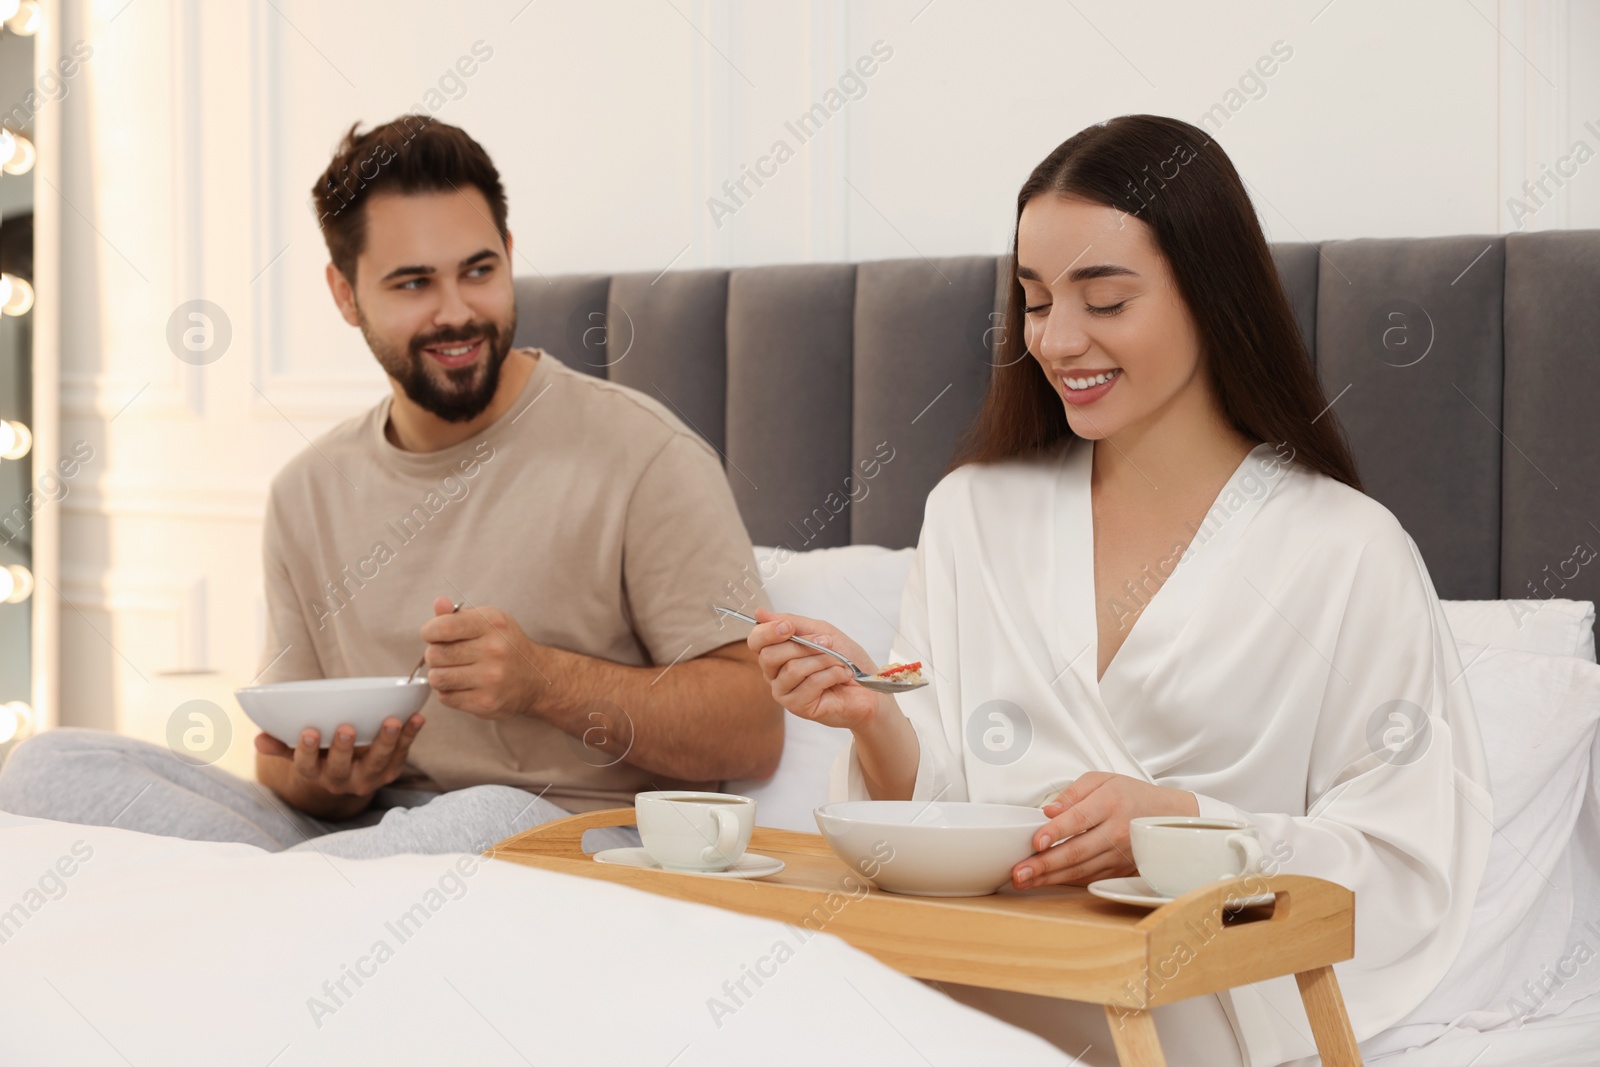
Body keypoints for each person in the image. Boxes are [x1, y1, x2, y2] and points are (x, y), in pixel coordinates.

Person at [746, 115, 1491, 1067]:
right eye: (1035, 299)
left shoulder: (1347, 550)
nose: (1057, 341)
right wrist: (870, 716)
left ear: (1211, 298)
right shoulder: (973, 512)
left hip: (1187, 995)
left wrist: (1182, 830)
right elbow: (939, 800)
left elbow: (1399, 859)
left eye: (1104, 300)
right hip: (961, 972)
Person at [0, 115, 782, 858]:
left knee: (471, 818)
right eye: (413, 284)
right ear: (345, 294)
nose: (456, 312)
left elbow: (752, 727)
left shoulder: (641, 453)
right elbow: (279, 763)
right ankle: (295, 909)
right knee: (47, 766)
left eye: (479, 271)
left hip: (561, 839)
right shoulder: (306, 493)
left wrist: (546, 680)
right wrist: (336, 781)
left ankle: (263, 912)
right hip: (358, 843)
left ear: (509, 253)